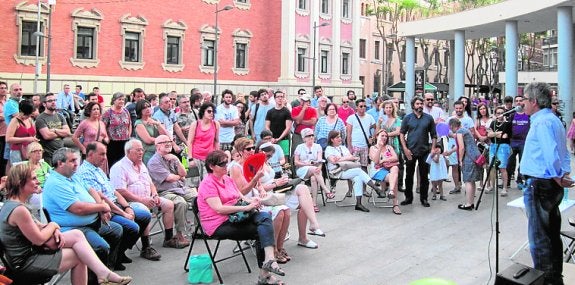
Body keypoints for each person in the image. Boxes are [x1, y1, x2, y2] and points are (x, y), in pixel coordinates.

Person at [0, 163, 133, 285]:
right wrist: (54, 225)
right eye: (34, 178)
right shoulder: (19, 210)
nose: (38, 181)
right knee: (80, 255)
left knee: (77, 237)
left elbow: (39, 227)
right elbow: (39, 239)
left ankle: (103, 274)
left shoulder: (13, 204)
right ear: (21, 182)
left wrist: (53, 228)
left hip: (28, 256)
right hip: (25, 264)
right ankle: (103, 274)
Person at [197, 150, 285, 285]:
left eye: (226, 162)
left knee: (265, 216)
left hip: (236, 216)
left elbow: (241, 197)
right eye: (222, 164)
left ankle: (269, 259)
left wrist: (253, 202)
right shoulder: (207, 184)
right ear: (211, 166)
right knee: (259, 231)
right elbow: (219, 209)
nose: (226, 166)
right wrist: (245, 208)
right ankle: (264, 276)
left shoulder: (227, 179)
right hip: (218, 223)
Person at [43, 148, 124, 283]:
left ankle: (105, 271)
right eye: (72, 161)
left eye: (77, 160)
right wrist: (102, 206)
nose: (77, 164)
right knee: (101, 247)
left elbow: (92, 190)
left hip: (92, 222)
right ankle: (98, 278)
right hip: (72, 227)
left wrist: (101, 209)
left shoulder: (73, 175)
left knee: (117, 230)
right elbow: (77, 209)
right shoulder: (55, 183)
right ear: (60, 163)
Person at [520, 82, 573, 284]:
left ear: (533, 101)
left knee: (539, 238)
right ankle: (554, 276)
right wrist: (562, 174)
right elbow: (563, 152)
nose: (522, 103)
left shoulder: (542, 122)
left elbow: (551, 153)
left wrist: (558, 175)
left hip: (540, 184)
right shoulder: (553, 120)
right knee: (551, 234)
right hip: (548, 183)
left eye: (524, 99)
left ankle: (546, 280)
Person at [75, 142, 159, 265]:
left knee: (144, 215)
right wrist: (123, 212)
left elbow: (113, 191)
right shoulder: (85, 172)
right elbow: (102, 198)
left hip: (117, 204)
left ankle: (119, 253)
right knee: (131, 227)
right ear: (91, 154)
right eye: (102, 154)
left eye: (105, 154)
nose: (105, 157)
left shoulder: (98, 169)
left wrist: (127, 207)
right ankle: (113, 258)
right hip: (106, 209)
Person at [110, 139, 189, 249]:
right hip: (132, 202)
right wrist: (142, 200)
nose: (141, 152)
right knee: (144, 209)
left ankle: (169, 239)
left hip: (149, 197)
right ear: (128, 152)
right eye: (138, 150)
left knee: (169, 204)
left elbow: (150, 183)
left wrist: (155, 195)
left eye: (142, 150)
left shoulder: (141, 165)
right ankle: (146, 247)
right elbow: (120, 191)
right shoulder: (119, 167)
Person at [147, 135, 197, 244]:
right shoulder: (154, 162)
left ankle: (198, 230)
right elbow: (169, 178)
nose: (168, 143)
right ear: (157, 146)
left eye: (169, 141)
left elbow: (184, 173)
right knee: (181, 203)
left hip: (180, 188)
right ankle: (180, 235)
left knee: (199, 198)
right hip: (164, 192)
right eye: (164, 142)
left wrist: (176, 160)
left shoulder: (172, 157)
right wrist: (179, 176)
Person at [325, 130, 381, 212]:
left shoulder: (343, 147)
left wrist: (340, 159)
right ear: (332, 139)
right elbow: (333, 161)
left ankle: (358, 204)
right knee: (358, 170)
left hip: (347, 169)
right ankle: (376, 188)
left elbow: (351, 157)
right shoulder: (328, 149)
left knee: (358, 178)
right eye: (337, 137)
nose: (340, 138)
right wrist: (345, 158)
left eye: (340, 136)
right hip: (337, 172)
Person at [399, 97, 437, 207]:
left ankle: (424, 199)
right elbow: (402, 134)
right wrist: (405, 149)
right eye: (417, 104)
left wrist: (433, 149)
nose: (419, 105)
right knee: (409, 175)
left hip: (425, 151)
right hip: (410, 151)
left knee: (424, 176)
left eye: (421, 103)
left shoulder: (429, 118)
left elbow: (434, 135)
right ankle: (408, 198)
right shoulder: (407, 118)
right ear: (413, 105)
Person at [448, 118, 482, 210]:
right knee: (472, 181)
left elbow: (461, 148)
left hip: (468, 158)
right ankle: (471, 202)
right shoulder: (465, 130)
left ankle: (468, 204)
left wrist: (460, 160)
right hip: (475, 157)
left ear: (452, 126)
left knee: (467, 181)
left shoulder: (460, 132)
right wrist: (450, 151)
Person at [293, 128, 331, 212]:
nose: (311, 137)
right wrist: (307, 164)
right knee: (314, 169)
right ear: (304, 138)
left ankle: (314, 204)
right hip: (302, 169)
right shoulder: (299, 147)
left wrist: (319, 168)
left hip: (315, 170)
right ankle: (326, 190)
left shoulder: (318, 146)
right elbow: (296, 162)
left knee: (314, 178)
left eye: (312, 135)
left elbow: (320, 161)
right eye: (308, 136)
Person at [369, 130, 401, 215]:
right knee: (394, 177)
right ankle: (395, 204)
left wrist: (384, 159)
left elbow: (396, 158)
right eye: (382, 136)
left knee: (395, 168)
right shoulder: (373, 148)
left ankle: (391, 192)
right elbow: (376, 162)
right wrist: (380, 148)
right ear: (377, 136)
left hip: (389, 169)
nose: (384, 138)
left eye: (386, 136)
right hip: (377, 171)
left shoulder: (389, 147)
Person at [35, 93, 72, 164]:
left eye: (55, 100)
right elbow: (47, 136)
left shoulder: (60, 116)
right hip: (48, 155)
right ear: (44, 104)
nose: (53, 102)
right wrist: (62, 133)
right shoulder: (40, 118)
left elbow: (68, 132)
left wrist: (55, 130)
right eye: (50, 101)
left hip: (61, 154)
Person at [187, 103, 220, 179]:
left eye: (213, 112)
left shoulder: (216, 124)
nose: (211, 113)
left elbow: (217, 141)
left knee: (207, 181)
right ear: (203, 112)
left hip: (209, 158)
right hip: (196, 157)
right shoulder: (195, 124)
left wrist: (217, 157)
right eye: (209, 111)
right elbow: (189, 142)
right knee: (194, 183)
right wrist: (190, 159)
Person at [487, 106, 512, 196]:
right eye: (498, 113)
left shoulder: (507, 124)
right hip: (493, 145)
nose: (500, 114)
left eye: (502, 112)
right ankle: (492, 186)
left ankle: (505, 187)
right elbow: (489, 134)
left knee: (502, 167)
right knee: (492, 167)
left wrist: (494, 133)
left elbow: (505, 136)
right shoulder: (493, 123)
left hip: (503, 146)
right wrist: (499, 133)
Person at [133, 100, 169, 164]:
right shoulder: (139, 123)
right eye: (144, 108)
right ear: (139, 110)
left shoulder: (154, 120)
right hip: (147, 152)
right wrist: (162, 140)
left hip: (160, 151)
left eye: (149, 107)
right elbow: (148, 140)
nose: (147, 109)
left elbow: (165, 135)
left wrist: (158, 124)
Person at [102, 92, 132, 167]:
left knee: (124, 163)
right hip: (112, 142)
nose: (122, 101)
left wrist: (129, 135)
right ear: (114, 100)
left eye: (123, 99)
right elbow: (103, 126)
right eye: (119, 99)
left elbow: (129, 124)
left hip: (125, 141)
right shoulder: (108, 113)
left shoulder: (126, 111)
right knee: (113, 163)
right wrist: (106, 138)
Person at [506, 95, 529, 189]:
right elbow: (507, 128)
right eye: (517, 101)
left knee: (522, 163)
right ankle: (506, 181)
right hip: (513, 142)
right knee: (509, 162)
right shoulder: (512, 115)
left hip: (524, 143)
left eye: (520, 100)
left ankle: (520, 180)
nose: (518, 102)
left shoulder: (528, 115)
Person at [5, 100, 37, 164]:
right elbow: (8, 139)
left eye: (29, 115)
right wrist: (26, 139)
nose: (27, 117)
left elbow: (34, 133)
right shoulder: (14, 121)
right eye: (26, 115)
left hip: (29, 150)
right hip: (17, 151)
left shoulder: (30, 119)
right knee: (20, 172)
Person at [264, 90, 292, 156]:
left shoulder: (287, 111)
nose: (280, 98)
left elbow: (288, 127)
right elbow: (267, 126)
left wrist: (279, 138)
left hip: (284, 139)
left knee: (284, 158)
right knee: (271, 157)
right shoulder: (270, 111)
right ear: (274, 98)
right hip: (271, 140)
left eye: (281, 97)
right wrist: (271, 138)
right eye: (278, 97)